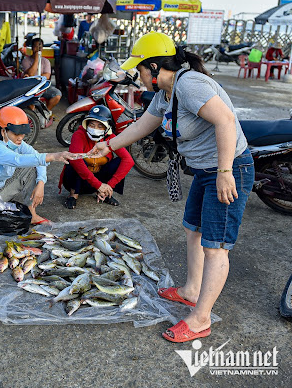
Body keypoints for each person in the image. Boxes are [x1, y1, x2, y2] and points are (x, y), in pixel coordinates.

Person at [91, 32, 254, 343]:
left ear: (153, 67)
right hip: (206, 170)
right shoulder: (166, 92)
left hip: (229, 167)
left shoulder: (190, 85)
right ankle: (191, 291)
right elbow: (143, 126)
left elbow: (226, 121)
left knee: (215, 245)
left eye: (139, 69)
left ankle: (200, 319)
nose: (137, 77)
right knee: (192, 228)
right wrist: (108, 147)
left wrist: (224, 172)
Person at [0, 106, 76, 245]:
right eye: (16, 134)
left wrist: (41, 183)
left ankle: (32, 214)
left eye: (22, 134)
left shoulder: (16, 142)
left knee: (32, 167)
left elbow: (36, 157)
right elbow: (17, 160)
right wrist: (53, 156)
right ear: (3, 131)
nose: (20, 138)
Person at [59, 105, 134, 208]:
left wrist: (108, 185)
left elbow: (128, 160)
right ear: (86, 124)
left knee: (120, 161)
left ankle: (106, 193)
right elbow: (76, 162)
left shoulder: (110, 138)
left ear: (107, 127)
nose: (95, 129)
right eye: (92, 125)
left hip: (97, 181)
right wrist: (98, 185)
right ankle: (73, 195)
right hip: (79, 182)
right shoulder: (79, 135)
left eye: (100, 126)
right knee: (75, 159)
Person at [22, 38, 62, 112]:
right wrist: (37, 59)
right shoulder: (26, 60)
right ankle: (33, 114)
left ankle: (46, 111)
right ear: (32, 48)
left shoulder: (46, 61)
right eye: (35, 46)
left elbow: (46, 76)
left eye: (40, 47)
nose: (38, 49)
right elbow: (30, 73)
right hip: (31, 87)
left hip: (43, 87)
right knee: (30, 98)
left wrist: (34, 77)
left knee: (57, 94)